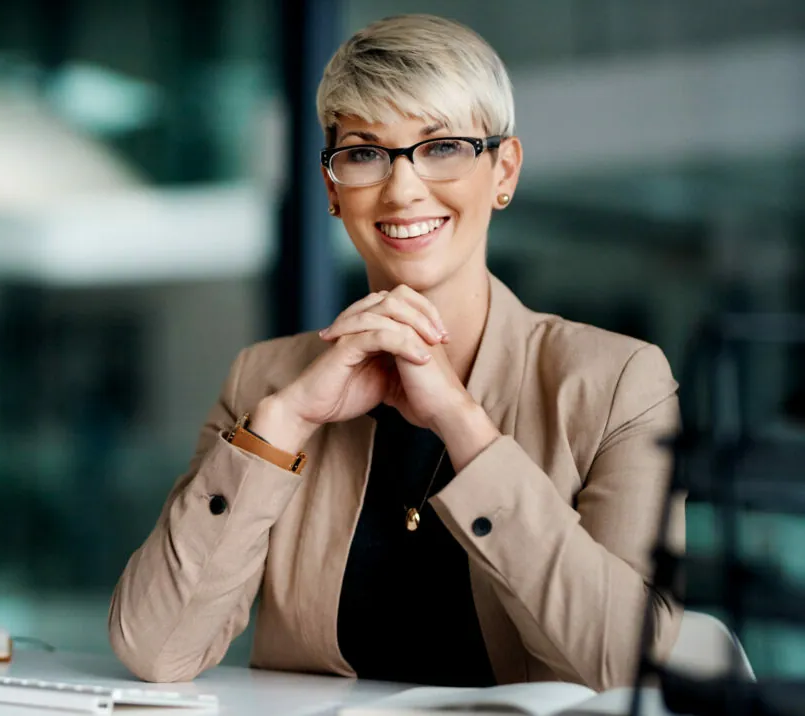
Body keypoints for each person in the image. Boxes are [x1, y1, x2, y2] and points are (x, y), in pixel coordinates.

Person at [109, 13, 684, 689]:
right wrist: (283, 424)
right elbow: (156, 650)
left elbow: (630, 667)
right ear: (331, 187)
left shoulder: (615, 382)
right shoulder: (265, 381)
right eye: (363, 152)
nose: (402, 188)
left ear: (503, 170)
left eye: (441, 147)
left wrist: (462, 426)